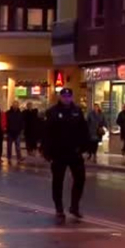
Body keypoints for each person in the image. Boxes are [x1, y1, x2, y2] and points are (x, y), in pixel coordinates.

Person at [42, 88, 89, 221]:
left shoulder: (77, 111)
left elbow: (83, 130)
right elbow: (46, 133)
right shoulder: (52, 112)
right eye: (64, 96)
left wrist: (84, 148)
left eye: (69, 96)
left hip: (74, 152)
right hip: (58, 153)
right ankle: (59, 208)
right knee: (58, 182)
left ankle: (74, 206)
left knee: (80, 179)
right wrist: (47, 152)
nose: (67, 98)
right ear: (60, 97)